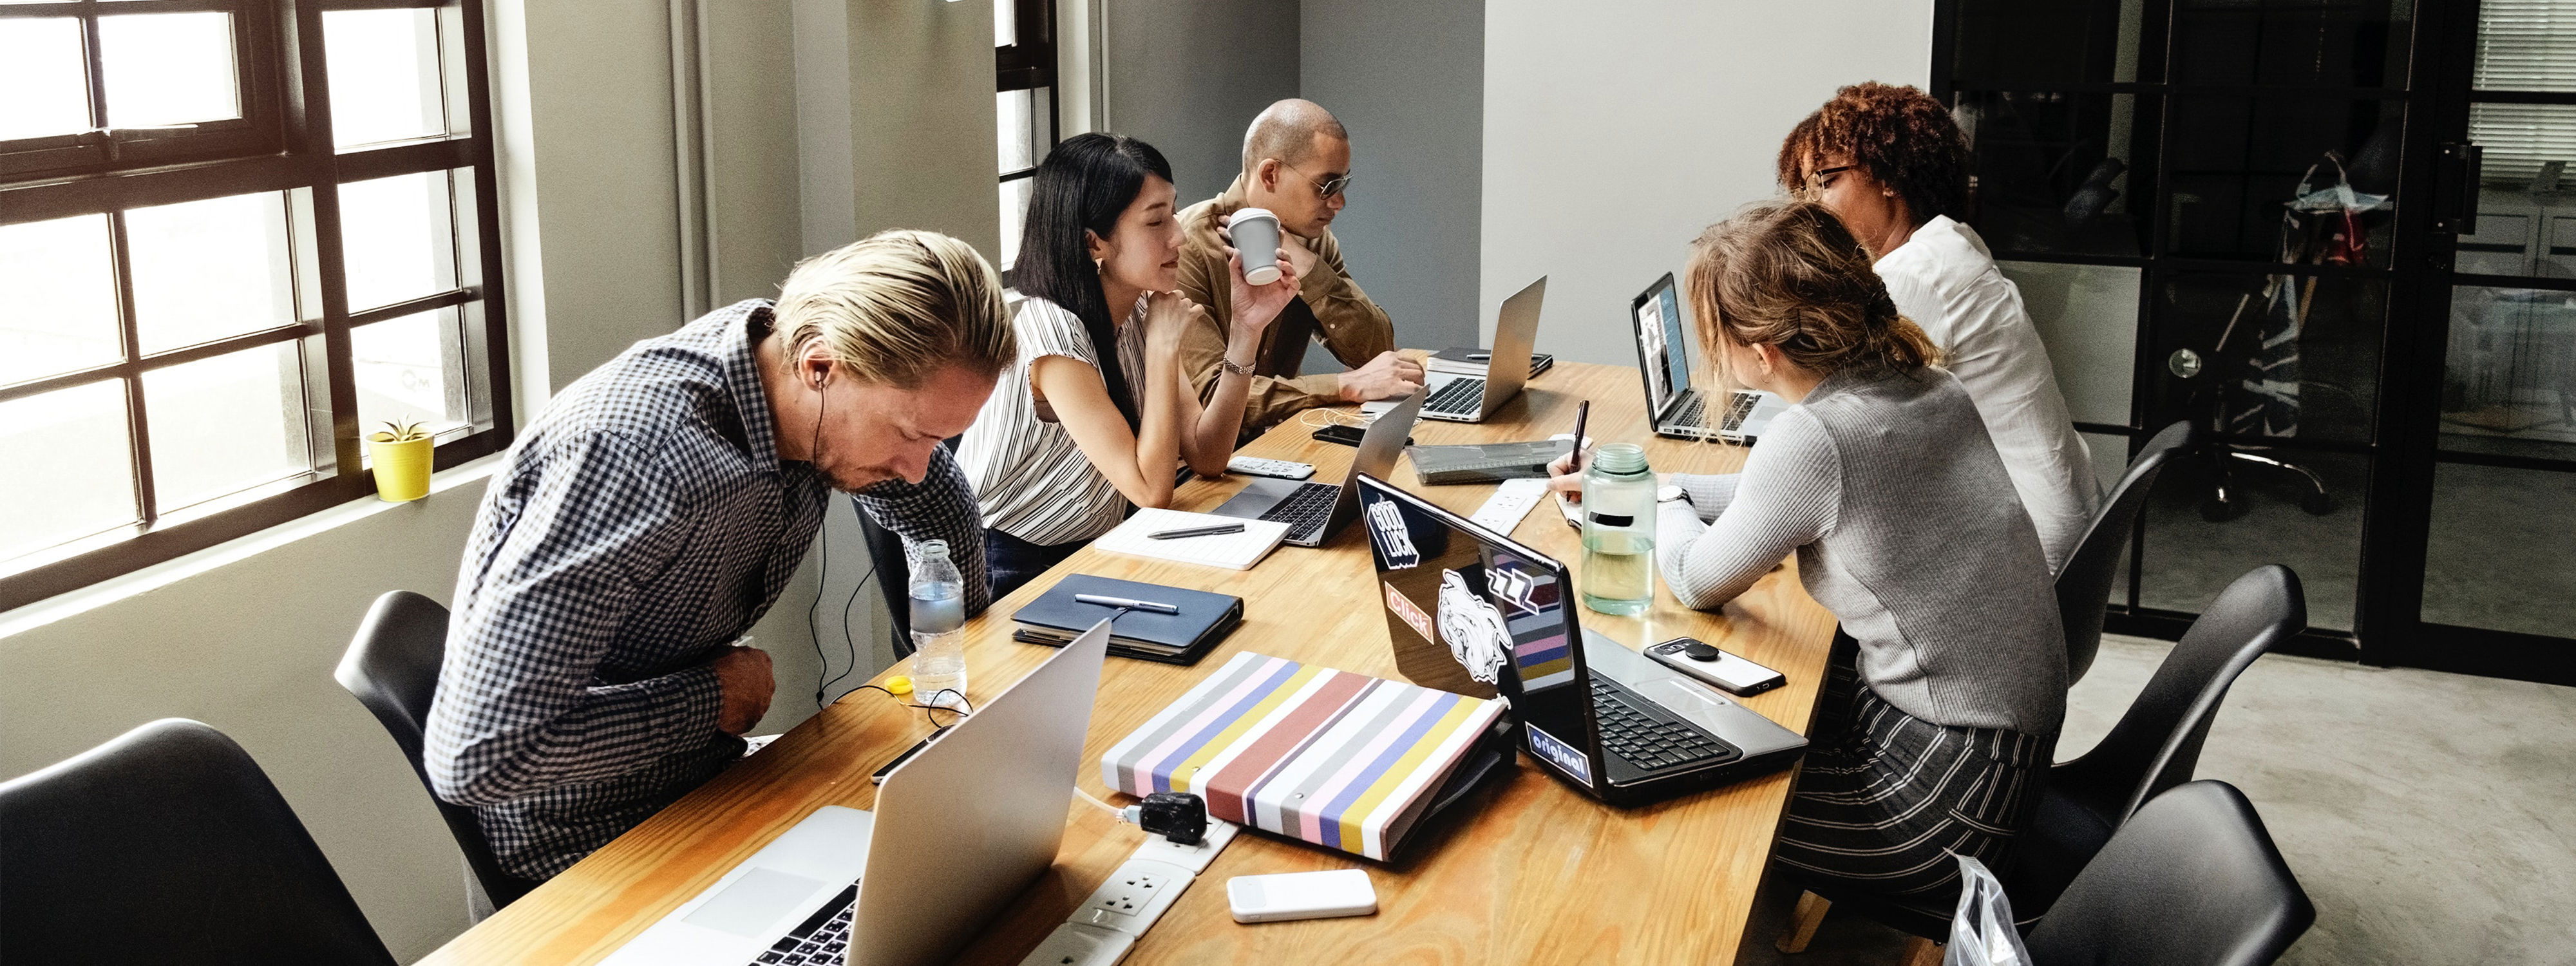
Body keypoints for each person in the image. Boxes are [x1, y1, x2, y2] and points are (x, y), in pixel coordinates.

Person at [424, 231, 1013, 880]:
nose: (915, 467)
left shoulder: (789, 370)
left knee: (973, 866)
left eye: (939, 438)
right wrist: (711, 699)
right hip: (590, 846)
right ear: (820, 369)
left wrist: (961, 650)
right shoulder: (631, 461)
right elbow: (481, 756)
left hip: (711, 778)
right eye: (909, 434)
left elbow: (936, 501)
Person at [1575, 201, 2066, 907]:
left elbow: (1694, 579)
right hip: (2000, 755)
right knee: (1697, 705)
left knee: (1648, 790)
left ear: (1761, 350)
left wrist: (1656, 503)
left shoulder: (1815, 439)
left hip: (1946, 805)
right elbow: (1766, 496)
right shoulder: (1925, 385)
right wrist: (1645, 487)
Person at [958, 133, 1302, 600]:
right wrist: (1161, 349)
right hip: (1011, 565)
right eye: (1156, 221)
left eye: (1173, 212)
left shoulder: (1141, 307)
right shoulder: (1052, 334)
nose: (1179, 235)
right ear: (1093, 242)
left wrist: (1247, 331)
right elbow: (1150, 491)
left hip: (1098, 544)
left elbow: (1207, 454)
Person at [1779, 82, 2100, 573]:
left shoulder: (1915, 275)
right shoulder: (1950, 240)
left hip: (2029, 548)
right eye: (1805, 190)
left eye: (1827, 181)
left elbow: (1830, 421)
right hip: (2057, 518)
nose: (1814, 206)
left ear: (1888, 176)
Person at [1174, 99, 1423, 440]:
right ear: (1270, 175)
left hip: (1278, 443)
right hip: (1201, 468)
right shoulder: (1187, 246)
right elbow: (1212, 399)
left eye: (1343, 186)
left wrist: (1310, 270)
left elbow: (1377, 351)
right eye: (1327, 187)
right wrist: (1342, 386)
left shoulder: (1311, 242)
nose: (1339, 202)